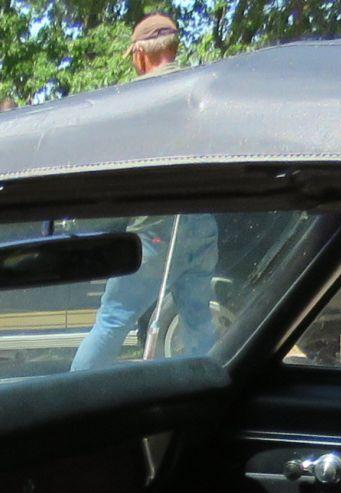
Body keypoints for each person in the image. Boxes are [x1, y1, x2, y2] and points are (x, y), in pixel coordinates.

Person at [69, 15, 218, 372]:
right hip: (202, 226)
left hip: (154, 234)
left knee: (112, 320)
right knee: (198, 321)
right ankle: (209, 398)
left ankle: (75, 398)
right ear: (173, 48)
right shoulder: (205, 90)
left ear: (140, 55)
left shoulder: (138, 99)